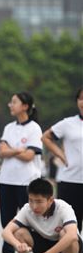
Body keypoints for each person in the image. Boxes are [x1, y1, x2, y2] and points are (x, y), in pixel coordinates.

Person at [1, 178, 83, 253]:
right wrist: (18, 245)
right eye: (31, 200)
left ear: (50, 200)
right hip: (43, 252)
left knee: (66, 234)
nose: (34, 206)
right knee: (18, 233)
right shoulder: (27, 209)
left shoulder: (64, 208)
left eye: (39, 201)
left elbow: (72, 236)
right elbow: (6, 232)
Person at [0, 91, 43, 253]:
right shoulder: (9, 127)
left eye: (14, 102)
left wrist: (11, 150)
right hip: (7, 179)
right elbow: (1, 152)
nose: (10, 105)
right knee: (6, 218)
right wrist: (18, 149)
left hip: (27, 181)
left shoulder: (34, 128)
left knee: (29, 219)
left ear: (24, 106)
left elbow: (29, 156)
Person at [42, 88, 83, 242]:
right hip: (70, 180)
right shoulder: (68, 123)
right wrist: (61, 155)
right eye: (80, 98)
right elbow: (46, 137)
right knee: (72, 222)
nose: (82, 102)